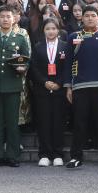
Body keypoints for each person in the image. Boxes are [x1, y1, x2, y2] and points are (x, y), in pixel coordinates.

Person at [64, 5, 98, 169]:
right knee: (79, 123)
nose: (89, 18)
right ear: (81, 18)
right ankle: (76, 157)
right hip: (79, 86)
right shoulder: (74, 37)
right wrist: (68, 86)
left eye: (93, 15)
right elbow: (68, 62)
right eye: (87, 15)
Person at [0, 6, 31, 168]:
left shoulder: (20, 38)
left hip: (13, 85)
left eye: (8, 16)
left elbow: (27, 60)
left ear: (14, 19)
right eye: (2, 16)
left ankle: (13, 155)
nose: (5, 19)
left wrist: (23, 68)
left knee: (12, 123)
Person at [28, 16, 71, 167]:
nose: (51, 31)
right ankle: (44, 154)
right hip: (42, 89)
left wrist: (59, 83)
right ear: (43, 31)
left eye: (53, 28)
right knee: (44, 122)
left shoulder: (65, 46)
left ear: (58, 30)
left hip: (60, 90)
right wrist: (44, 82)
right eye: (48, 29)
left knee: (58, 122)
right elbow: (33, 68)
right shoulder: (38, 47)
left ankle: (58, 154)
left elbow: (68, 67)